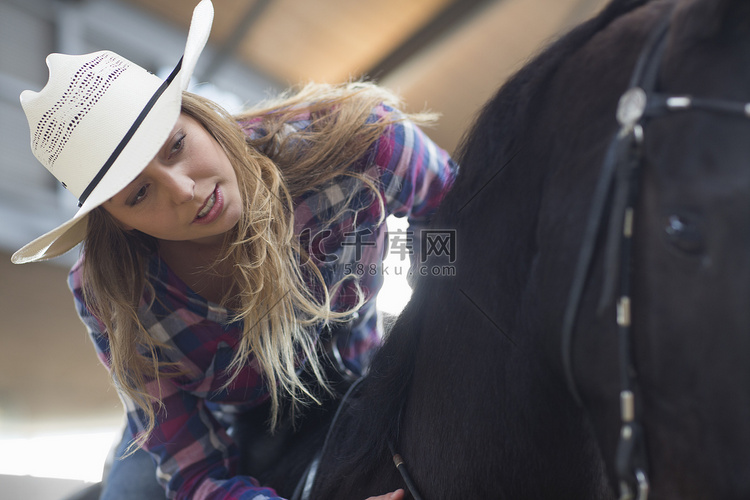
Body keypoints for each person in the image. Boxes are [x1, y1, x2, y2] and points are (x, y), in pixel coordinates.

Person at [12, 1, 458, 499]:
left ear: (199, 116)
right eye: (138, 194)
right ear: (116, 222)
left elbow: (450, 208)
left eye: (175, 145)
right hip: (220, 430)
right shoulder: (113, 292)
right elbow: (195, 474)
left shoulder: (359, 143)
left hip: (362, 370)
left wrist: (438, 310)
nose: (182, 191)